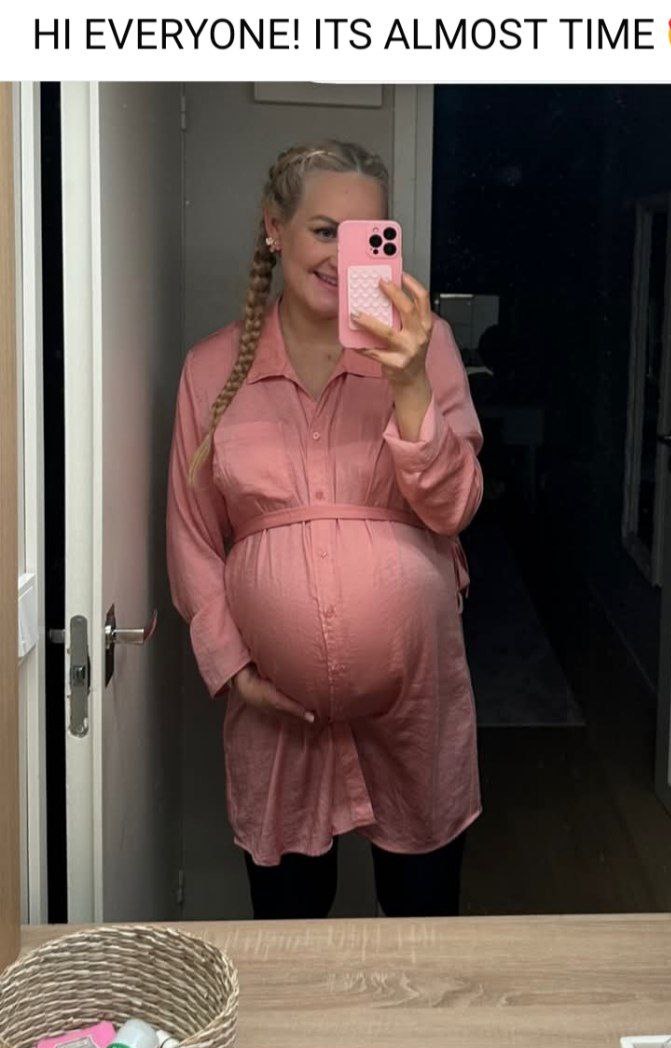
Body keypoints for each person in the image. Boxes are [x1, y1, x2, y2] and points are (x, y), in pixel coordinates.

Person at [165, 140, 483, 920]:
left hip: (416, 698)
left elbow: (453, 509)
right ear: (274, 229)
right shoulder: (210, 368)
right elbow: (193, 535)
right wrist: (235, 669)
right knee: (289, 926)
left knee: (424, 925)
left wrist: (408, 381)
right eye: (322, 231)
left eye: (365, 235)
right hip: (275, 714)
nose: (343, 257)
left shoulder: (426, 348)